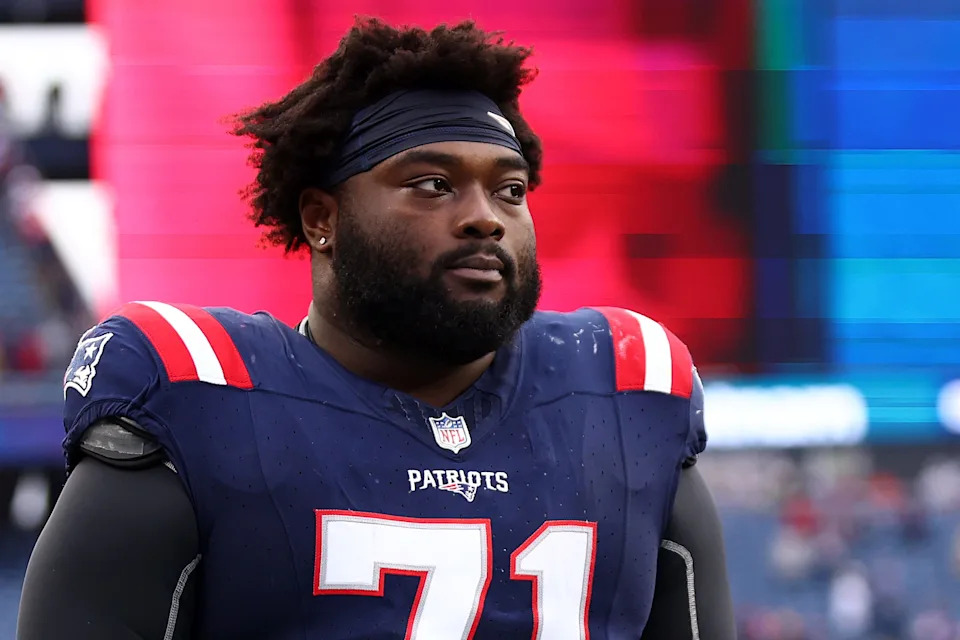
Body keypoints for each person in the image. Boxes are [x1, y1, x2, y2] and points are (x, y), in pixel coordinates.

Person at [17, 19, 736, 640]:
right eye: (433, 184)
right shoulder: (198, 399)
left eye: (510, 189)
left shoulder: (624, 397)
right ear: (321, 218)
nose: (485, 215)